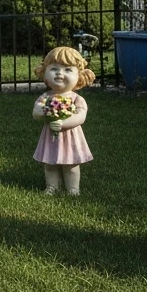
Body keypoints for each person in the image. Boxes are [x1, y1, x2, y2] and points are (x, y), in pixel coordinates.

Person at [31, 45, 96, 196]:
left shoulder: (76, 99)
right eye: (54, 69)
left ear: (79, 76)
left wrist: (64, 123)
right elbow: (36, 112)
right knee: (49, 163)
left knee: (71, 164)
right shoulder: (46, 97)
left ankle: (73, 188)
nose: (60, 73)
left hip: (71, 137)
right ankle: (52, 186)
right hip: (50, 137)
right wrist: (41, 112)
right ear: (45, 74)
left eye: (68, 70)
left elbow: (81, 115)